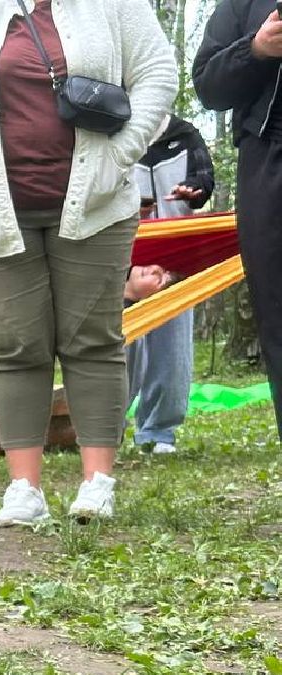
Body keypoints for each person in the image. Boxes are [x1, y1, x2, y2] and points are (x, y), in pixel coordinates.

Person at [0, 0, 176, 525]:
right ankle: (24, 491)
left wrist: (120, 155)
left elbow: (158, 75)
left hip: (97, 207)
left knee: (94, 341)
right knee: (17, 346)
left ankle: (98, 483)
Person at [195, 0, 282, 441]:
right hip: (269, 160)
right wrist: (257, 49)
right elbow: (208, 86)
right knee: (277, 313)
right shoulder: (246, 3)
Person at [127, 114, 214, 454]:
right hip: (123, 266)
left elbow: (204, 180)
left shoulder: (185, 135)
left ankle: (158, 431)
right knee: (117, 351)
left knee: (173, 352)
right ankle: (106, 427)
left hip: (175, 266)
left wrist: (193, 191)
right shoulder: (111, 133)